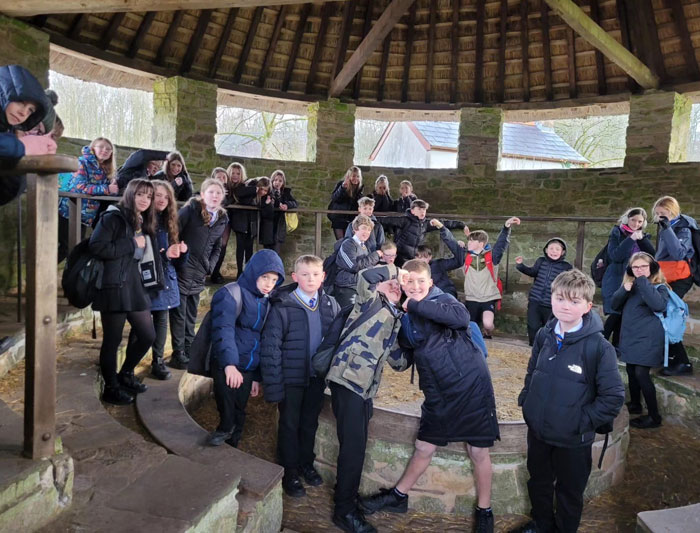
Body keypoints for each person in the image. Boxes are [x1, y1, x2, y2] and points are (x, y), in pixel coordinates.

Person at [360, 259, 499, 533]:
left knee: (478, 451)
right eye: (409, 282)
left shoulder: (444, 300)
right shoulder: (406, 317)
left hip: (471, 387)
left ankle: (485, 509)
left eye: (420, 281)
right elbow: (403, 357)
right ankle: (398, 496)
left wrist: (412, 304)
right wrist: (387, 324)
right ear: (402, 284)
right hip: (437, 390)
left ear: (431, 282)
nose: (415, 286)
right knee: (424, 447)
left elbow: (461, 319)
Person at [514, 269, 624, 533]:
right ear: (551, 298)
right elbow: (533, 370)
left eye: (574, 301)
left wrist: (579, 422)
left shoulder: (599, 348)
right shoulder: (544, 335)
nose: (565, 306)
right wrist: (527, 400)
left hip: (573, 439)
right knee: (538, 482)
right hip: (539, 432)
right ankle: (542, 525)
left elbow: (613, 397)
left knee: (569, 493)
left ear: (588, 306)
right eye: (560, 298)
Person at [321, 263, 410, 533]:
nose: (395, 287)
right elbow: (365, 276)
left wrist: (420, 337)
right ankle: (343, 511)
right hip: (347, 380)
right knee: (353, 449)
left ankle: (346, 496)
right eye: (391, 284)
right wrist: (397, 273)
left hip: (362, 390)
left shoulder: (395, 319)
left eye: (399, 288)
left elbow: (400, 362)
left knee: (355, 448)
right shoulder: (368, 300)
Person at [260, 255, 341, 497]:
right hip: (291, 379)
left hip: (315, 378)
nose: (310, 279)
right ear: (295, 277)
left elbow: (336, 341)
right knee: (289, 424)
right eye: (305, 275)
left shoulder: (330, 305)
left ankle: (306, 463)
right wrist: (273, 385)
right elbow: (271, 348)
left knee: (309, 423)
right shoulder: (283, 307)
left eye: (315, 274)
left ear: (323, 277)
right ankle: (290, 470)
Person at [88, 179, 158, 405]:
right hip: (113, 285)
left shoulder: (140, 220)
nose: (145, 200)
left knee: (148, 335)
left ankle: (126, 373)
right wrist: (132, 244)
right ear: (130, 194)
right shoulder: (113, 217)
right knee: (113, 340)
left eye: (149, 196)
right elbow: (97, 247)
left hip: (133, 284)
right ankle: (111, 388)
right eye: (140, 194)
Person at [208, 249, 285, 447]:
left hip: (249, 366)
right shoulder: (231, 294)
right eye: (265, 277)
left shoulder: (267, 302)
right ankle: (224, 428)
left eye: (274, 280)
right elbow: (223, 329)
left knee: (240, 406)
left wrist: (257, 377)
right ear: (253, 272)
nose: (269, 284)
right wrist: (230, 365)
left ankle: (234, 441)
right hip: (227, 362)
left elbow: (263, 338)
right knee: (226, 402)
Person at [169, 179, 228, 369]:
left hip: (200, 271)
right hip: (183, 267)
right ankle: (177, 353)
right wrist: (178, 256)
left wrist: (210, 266)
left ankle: (189, 348)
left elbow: (217, 246)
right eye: (211, 192)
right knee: (179, 313)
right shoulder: (190, 211)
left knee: (191, 312)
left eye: (218, 193)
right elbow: (173, 232)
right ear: (202, 195)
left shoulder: (222, 218)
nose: (215, 196)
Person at [133, 180, 188, 381]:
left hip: (165, 279)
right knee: (140, 325)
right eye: (158, 195)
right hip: (146, 280)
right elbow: (140, 254)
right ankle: (130, 366)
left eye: (166, 196)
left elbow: (177, 262)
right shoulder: (141, 222)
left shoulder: (170, 223)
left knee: (162, 320)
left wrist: (182, 252)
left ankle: (158, 361)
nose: (163, 200)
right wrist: (165, 255)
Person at [611, 252, 669, 429]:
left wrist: (643, 281)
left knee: (641, 374)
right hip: (631, 337)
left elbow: (658, 306)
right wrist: (624, 289)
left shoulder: (660, 287)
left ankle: (654, 416)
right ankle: (635, 404)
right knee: (631, 370)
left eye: (644, 266)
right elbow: (614, 305)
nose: (639, 270)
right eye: (635, 267)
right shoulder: (631, 287)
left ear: (652, 267)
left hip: (648, 339)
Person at [653, 196, 697, 376]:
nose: (659, 217)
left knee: (668, 314)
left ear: (672, 211)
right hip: (666, 275)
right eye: (657, 213)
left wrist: (667, 229)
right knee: (659, 313)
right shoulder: (668, 226)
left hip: (680, 277)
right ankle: (670, 355)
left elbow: (678, 253)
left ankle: (683, 362)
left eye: (663, 213)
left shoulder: (683, 228)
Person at [0, 65, 56, 204]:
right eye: (20, 102)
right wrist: (22, 147)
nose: (23, 113)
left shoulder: (6, 128)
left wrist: (23, 162)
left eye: (30, 110)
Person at [57, 138, 119, 262]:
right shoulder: (82, 163)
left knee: (75, 249)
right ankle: (43, 271)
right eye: (101, 147)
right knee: (67, 247)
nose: (105, 150)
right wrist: (107, 189)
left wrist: (112, 185)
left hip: (84, 215)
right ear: (92, 148)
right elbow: (78, 187)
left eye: (108, 149)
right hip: (68, 211)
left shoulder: (104, 169)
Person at [600, 208, 655, 347]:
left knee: (624, 313)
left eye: (640, 221)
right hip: (616, 279)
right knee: (615, 312)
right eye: (633, 220)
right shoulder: (617, 233)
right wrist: (630, 239)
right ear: (626, 219)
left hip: (633, 279)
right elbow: (615, 256)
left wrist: (642, 239)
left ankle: (616, 346)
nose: (636, 224)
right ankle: (601, 342)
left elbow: (652, 256)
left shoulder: (643, 237)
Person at [463, 217, 520, 338]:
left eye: (472, 241)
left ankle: (487, 332)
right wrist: (442, 228)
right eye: (469, 241)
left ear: (481, 244)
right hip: (471, 297)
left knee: (488, 324)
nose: (469, 243)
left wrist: (506, 227)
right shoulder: (466, 256)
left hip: (488, 297)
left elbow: (500, 245)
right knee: (470, 327)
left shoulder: (491, 257)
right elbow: (452, 245)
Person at [515, 238, 574, 346]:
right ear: (546, 250)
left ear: (562, 252)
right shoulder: (541, 261)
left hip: (552, 303)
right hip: (535, 300)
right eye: (551, 248)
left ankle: (547, 348)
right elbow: (532, 272)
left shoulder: (566, 267)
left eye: (557, 249)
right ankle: (533, 346)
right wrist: (520, 265)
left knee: (549, 327)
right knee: (533, 325)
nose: (554, 251)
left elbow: (570, 283)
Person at [382, 199, 465, 266]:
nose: (422, 212)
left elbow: (444, 223)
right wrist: (373, 220)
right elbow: (386, 220)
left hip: (415, 257)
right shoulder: (405, 220)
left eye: (424, 209)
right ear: (412, 211)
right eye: (419, 209)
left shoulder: (425, 223)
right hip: (400, 257)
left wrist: (461, 225)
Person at [334, 215, 383, 308]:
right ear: (355, 229)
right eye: (363, 228)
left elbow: (366, 266)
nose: (366, 232)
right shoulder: (348, 244)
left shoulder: (364, 246)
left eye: (369, 230)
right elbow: (354, 266)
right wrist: (375, 256)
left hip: (360, 285)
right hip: (347, 286)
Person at [414, 221, 467, 298]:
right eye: (419, 257)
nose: (421, 260)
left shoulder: (438, 264)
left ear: (430, 257)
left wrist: (459, 248)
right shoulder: (412, 270)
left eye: (424, 257)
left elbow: (458, 261)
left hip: (444, 294)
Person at [226, 163, 258, 277]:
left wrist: (254, 189)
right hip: (239, 221)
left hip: (250, 221)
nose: (235, 175)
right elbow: (240, 195)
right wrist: (254, 190)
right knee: (240, 248)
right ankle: (240, 272)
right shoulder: (230, 187)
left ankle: (248, 272)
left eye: (238, 173)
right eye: (233, 173)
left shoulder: (246, 184)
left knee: (249, 248)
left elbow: (247, 199)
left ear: (242, 175)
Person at [209, 167, 233, 283]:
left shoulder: (229, 191)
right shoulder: (208, 190)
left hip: (224, 222)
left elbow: (229, 202)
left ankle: (215, 272)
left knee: (222, 246)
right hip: (210, 222)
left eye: (224, 177)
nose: (222, 179)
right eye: (219, 177)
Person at [266, 169, 298, 253]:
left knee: (276, 251)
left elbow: (295, 203)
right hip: (268, 224)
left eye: (280, 181)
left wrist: (286, 205)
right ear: (272, 181)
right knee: (267, 251)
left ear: (283, 182)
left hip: (279, 225)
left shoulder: (286, 193)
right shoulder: (268, 191)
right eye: (275, 180)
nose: (277, 182)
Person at [328, 166, 364, 241]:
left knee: (349, 242)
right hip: (339, 218)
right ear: (349, 176)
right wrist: (342, 188)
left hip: (351, 220)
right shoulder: (341, 185)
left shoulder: (359, 189)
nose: (356, 178)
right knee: (341, 242)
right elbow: (335, 198)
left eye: (358, 176)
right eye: (353, 176)